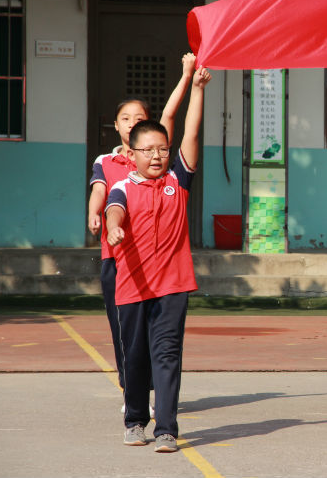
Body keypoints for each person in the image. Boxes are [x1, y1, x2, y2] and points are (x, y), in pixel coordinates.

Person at [105, 67, 212, 453]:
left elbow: (192, 133)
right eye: (148, 150)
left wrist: (197, 88)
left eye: (162, 149)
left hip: (173, 286)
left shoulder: (177, 181)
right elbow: (114, 210)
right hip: (132, 287)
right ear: (131, 154)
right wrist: (114, 227)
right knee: (134, 358)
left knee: (167, 354)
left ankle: (166, 428)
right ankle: (135, 419)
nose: (156, 155)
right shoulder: (121, 185)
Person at [87, 53, 196, 401]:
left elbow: (170, 115)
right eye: (125, 117)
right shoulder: (108, 161)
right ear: (117, 126)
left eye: (139, 117)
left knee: (160, 339)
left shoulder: (157, 156)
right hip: (118, 260)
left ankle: (154, 398)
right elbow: (102, 191)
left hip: (159, 263)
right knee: (125, 334)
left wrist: (187, 75)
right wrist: (97, 215)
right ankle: (131, 391)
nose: (132, 121)